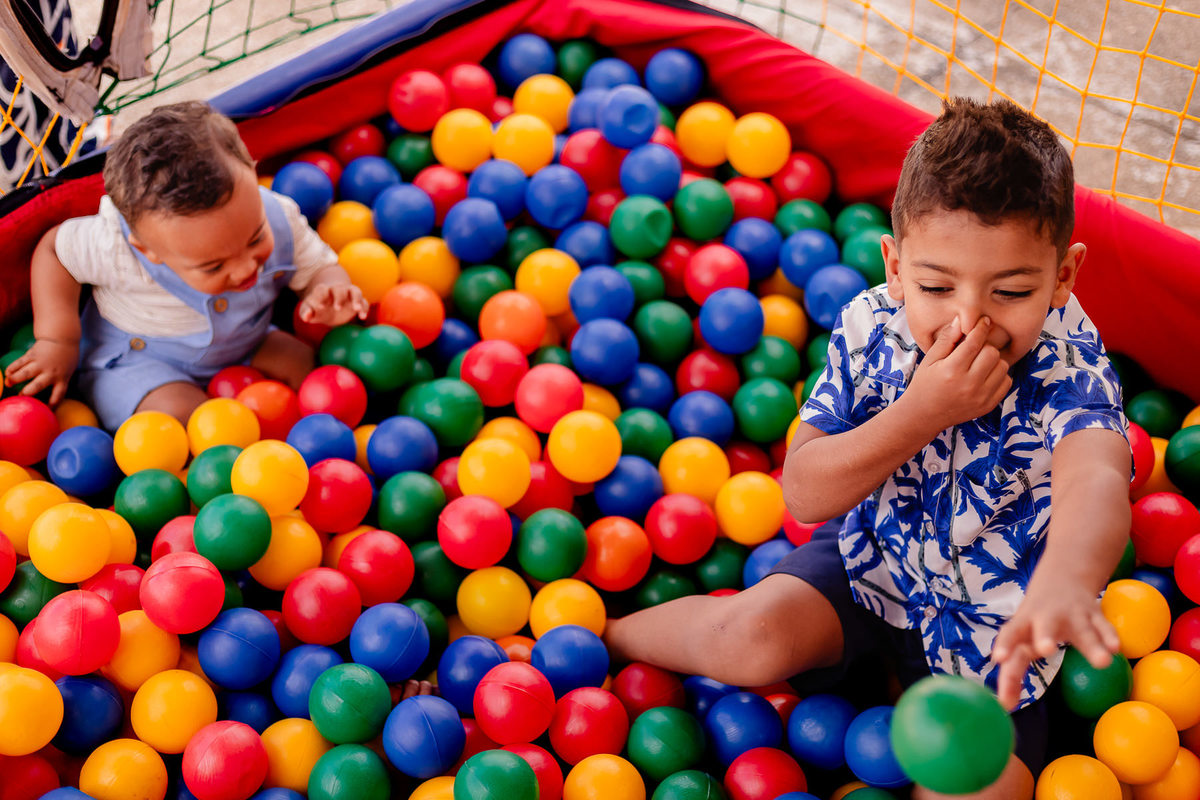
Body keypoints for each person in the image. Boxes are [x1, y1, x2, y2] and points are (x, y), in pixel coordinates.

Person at [604, 97, 1132, 799]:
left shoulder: (1073, 367)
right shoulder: (871, 329)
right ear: (894, 264)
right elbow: (804, 491)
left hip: (1000, 636)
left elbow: (1095, 477)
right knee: (749, 637)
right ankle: (603, 637)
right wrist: (922, 411)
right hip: (871, 569)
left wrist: (1067, 579)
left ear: (1063, 277)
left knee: (984, 785)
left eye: (1010, 291)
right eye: (935, 286)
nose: (967, 321)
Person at [6, 100, 367, 429]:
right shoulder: (114, 248)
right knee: (185, 418)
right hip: (142, 361)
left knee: (306, 364)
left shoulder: (276, 214)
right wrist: (58, 339)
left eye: (255, 239)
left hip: (247, 340)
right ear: (147, 250)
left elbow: (318, 265)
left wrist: (328, 287)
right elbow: (56, 251)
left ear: (253, 175)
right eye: (212, 266)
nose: (245, 270)